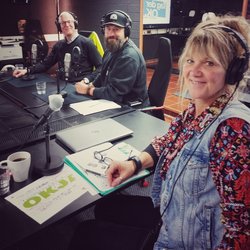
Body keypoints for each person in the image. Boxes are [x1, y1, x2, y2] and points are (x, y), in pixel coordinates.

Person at [68, 15, 250, 250]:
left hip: (183, 241)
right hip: (172, 214)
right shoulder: (197, 109)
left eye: (210, 63)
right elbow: (167, 141)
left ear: (232, 71)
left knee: (85, 233)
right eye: (191, 60)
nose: (194, 71)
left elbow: (242, 234)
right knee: (105, 206)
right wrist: (133, 163)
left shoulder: (233, 130)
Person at [75, 10, 149, 106]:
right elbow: (102, 75)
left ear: (126, 32)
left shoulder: (129, 57)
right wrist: (90, 85)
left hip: (132, 109)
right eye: (108, 29)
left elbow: (114, 93)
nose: (111, 34)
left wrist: (88, 90)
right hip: (116, 102)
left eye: (116, 29)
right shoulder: (110, 50)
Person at [13, 11, 102, 83]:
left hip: (81, 86)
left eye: (69, 22)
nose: (66, 25)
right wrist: (27, 70)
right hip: (62, 84)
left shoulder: (87, 43)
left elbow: (100, 67)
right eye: (63, 23)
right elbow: (45, 64)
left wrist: (87, 80)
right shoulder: (59, 45)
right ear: (59, 27)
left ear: (75, 23)